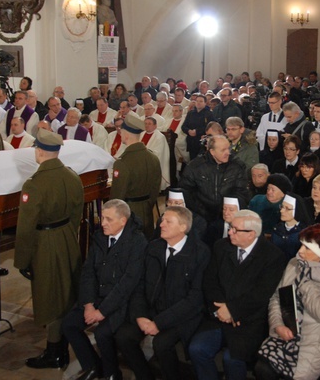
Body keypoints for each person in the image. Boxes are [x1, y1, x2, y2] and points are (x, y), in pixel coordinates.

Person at [13, 129, 84, 369]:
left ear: (40, 150)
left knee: (50, 295)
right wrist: (66, 232)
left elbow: (25, 228)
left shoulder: (34, 184)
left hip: (45, 242)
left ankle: (55, 351)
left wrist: (22, 260)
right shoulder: (72, 177)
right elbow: (77, 214)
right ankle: (63, 343)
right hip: (66, 236)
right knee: (66, 291)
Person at [188, 210, 287, 380]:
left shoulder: (273, 256)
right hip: (218, 315)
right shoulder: (221, 246)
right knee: (197, 349)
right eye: (230, 227)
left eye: (235, 229)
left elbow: (261, 294)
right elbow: (210, 282)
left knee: (232, 359)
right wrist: (221, 310)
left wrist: (233, 310)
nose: (230, 232)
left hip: (248, 320)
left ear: (252, 234)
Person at [114, 206, 210, 380]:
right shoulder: (154, 248)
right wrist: (140, 315)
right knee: (124, 336)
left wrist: (159, 322)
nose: (161, 224)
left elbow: (195, 299)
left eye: (168, 221)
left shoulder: (199, 253)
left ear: (183, 227)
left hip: (180, 315)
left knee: (162, 343)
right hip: (152, 310)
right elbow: (140, 285)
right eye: (162, 220)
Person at [255, 224, 320, 380]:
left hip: (314, 343)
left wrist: (305, 282)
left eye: (307, 248)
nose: (300, 251)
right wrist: (278, 325)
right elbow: (276, 298)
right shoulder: (295, 263)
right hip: (286, 333)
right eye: (301, 245)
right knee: (262, 368)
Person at [62, 200, 147, 380]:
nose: (103, 223)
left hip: (122, 302)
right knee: (69, 324)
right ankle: (92, 366)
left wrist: (102, 311)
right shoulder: (100, 237)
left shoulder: (137, 242)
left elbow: (128, 283)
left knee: (102, 333)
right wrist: (88, 304)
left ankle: (112, 374)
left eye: (108, 219)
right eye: (102, 218)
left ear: (123, 221)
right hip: (97, 297)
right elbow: (88, 272)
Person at [110, 114, 162, 239]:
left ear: (126, 135)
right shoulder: (153, 158)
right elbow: (155, 188)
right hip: (147, 210)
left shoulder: (122, 162)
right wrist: (147, 205)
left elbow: (117, 196)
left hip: (129, 213)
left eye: (121, 132)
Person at [179, 135, 249, 225]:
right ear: (212, 151)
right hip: (200, 216)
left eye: (228, 148)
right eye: (223, 150)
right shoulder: (195, 167)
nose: (228, 152)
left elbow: (242, 193)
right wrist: (201, 211)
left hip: (228, 217)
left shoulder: (237, 166)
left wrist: (227, 210)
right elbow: (186, 192)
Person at [270, 193, 313, 260]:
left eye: (287, 208)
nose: (282, 211)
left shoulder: (306, 233)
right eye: (282, 207)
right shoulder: (276, 229)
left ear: (297, 211)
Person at [182, 94, 214, 160]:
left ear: (205, 103)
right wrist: (188, 131)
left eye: (201, 101)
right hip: (191, 142)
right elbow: (184, 126)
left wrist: (197, 131)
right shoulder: (190, 113)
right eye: (197, 101)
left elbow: (209, 127)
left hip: (202, 142)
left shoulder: (209, 114)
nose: (198, 103)